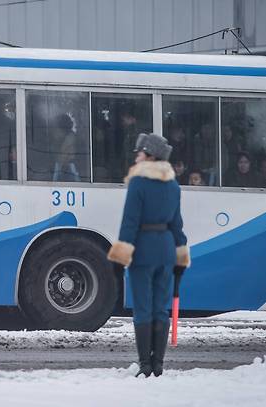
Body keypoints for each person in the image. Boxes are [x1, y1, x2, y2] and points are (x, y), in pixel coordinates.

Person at [107, 133, 190, 378]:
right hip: (166, 249)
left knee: (143, 307)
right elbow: (177, 225)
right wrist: (181, 257)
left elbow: (130, 223)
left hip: (142, 249)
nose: (136, 156)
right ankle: (159, 364)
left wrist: (120, 256)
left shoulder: (138, 183)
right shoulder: (173, 185)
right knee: (160, 308)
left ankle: (145, 364)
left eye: (140, 152)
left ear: (150, 155)